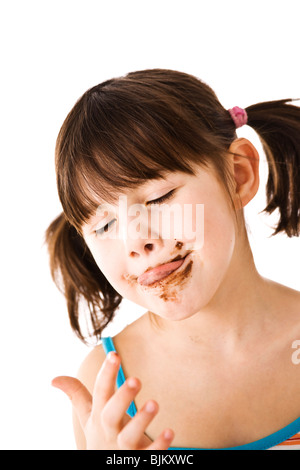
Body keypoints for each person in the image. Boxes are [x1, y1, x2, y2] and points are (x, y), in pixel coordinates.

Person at [45, 69, 300, 450]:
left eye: (159, 198)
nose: (136, 241)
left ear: (238, 175)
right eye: (105, 225)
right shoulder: (107, 389)